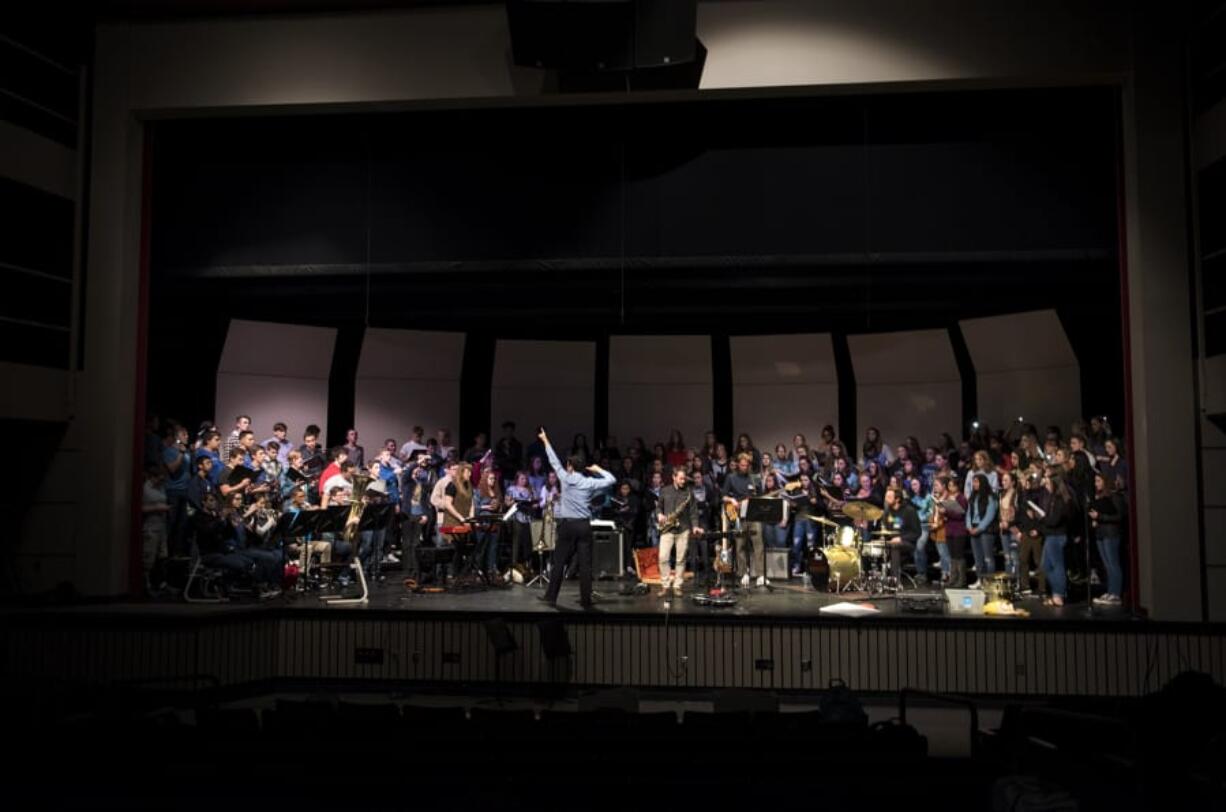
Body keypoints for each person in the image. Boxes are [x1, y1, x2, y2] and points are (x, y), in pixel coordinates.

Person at [538, 428, 616, 610]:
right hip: (583, 526)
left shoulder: (565, 478)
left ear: (571, 467)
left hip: (567, 525)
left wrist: (545, 440)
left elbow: (553, 460)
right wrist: (598, 469)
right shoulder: (589, 482)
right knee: (585, 565)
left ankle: (551, 597)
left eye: (568, 465)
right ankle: (586, 601)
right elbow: (611, 479)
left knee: (559, 562)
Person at [654, 465, 702, 597]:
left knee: (680, 559)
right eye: (680, 479)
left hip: (683, 529)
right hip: (667, 528)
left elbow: (693, 512)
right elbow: (658, 507)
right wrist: (659, 514)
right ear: (673, 477)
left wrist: (695, 526)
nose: (683, 481)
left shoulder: (688, 492)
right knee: (663, 557)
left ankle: (677, 585)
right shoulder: (665, 490)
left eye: (684, 479)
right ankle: (665, 585)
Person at [722, 452, 767, 587]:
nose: (744, 467)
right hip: (737, 515)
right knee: (740, 544)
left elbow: (760, 496)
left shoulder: (755, 478)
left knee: (758, 543)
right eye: (742, 465)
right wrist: (732, 500)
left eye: (746, 465)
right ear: (737, 465)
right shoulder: (731, 478)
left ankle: (760, 575)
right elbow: (723, 496)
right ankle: (743, 573)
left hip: (753, 514)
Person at [1089, 471, 1125, 605]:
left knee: (1113, 564)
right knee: (1106, 565)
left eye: (1098, 481)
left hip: (1111, 534)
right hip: (1101, 534)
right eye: (1095, 481)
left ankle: (1115, 593)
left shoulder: (1114, 496)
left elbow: (1119, 516)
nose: (1096, 484)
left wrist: (1100, 517)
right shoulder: (1099, 497)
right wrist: (1095, 519)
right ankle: (1110, 591)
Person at [881, 486, 922, 587]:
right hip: (891, 541)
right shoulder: (887, 512)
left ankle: (894, 581)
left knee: (895, 546)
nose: (886, 499)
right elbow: (885, 530)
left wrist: (901, 538)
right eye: (886, 497)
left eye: (889, 497)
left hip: (908, 543)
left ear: (897, 499)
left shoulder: (909, 511)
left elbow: (917, 532)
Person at [966, 472, 1000, 584]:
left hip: (986, 530)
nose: (974, 484)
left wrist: (979, 528)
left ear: (982, 483)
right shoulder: (973, 496)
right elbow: (968, 513)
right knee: (978, 558)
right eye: (973, 481)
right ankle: (980, 580)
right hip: (973, 528)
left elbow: (990, 515)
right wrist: (969, 526)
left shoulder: (991, 497)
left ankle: (989, 581)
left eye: (976, 481)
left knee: (987, 558)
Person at [504, 472, 535, 568]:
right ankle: (514, 563)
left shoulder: (529, 490)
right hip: (516, 517)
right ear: (517, 479)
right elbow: (507, 503)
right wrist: (513, 502)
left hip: (527, 518)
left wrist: (533, 504)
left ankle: (527, 565)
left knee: (527, 542)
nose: (524, 481)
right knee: (516, 541)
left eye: (525, 479)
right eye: (522, 479)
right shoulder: (511, 489)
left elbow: (534, 503)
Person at [909, 476, 935, 585]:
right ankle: (920, 573)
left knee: (920, 546)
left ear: (920, 484)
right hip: (914, 526)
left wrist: (921, 516)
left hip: (924, 526)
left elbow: (931, 512)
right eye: (912, 485)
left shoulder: (928, 497)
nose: (913, 487)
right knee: (916, 550)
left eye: (915, 484)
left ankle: (923, 573)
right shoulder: (911, 498)